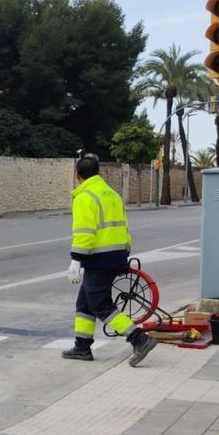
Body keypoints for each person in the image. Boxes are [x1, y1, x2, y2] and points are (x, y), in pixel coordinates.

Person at [62, 155, 158, 367]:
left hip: (98, 259)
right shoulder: (112, 194)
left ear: (78, 176)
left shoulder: (85, 196)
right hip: (117, 255)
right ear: (98, 172)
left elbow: (84, 232)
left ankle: (139, 339)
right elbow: (123, 225)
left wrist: (76, 260)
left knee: (100, 305)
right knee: (85, 302)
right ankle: (82, 346)